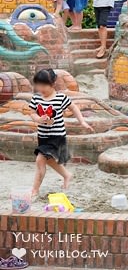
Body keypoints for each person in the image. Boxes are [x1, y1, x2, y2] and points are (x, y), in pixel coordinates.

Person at [29, 69, 93, 197]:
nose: (40, 88)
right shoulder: (36, 99)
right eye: (38, 85)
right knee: (49, 160)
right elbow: (31, 113)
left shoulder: (60, 98)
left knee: (40, 160)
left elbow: (73, 107)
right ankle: (67, 175)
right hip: (42, 137)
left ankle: (34, 190)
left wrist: (82, 122)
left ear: (52, 84)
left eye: (43, 85)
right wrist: (38, 119)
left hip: (56, 136)